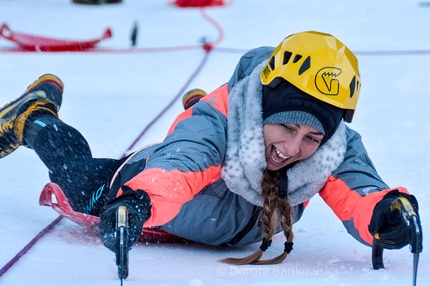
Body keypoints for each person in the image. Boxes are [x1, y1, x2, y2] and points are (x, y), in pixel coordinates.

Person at [0, 31, 421, 265]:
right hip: (148, 186)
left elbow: (360, 192)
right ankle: (34, 117)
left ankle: (194, 103)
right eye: (287, 126)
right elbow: (183, 163)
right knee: (78, 177)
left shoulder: (328, 148)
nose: (294, 149)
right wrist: (140, 202)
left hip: (221, 221)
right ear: (260, 108)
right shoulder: (218, 125)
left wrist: (387, 214)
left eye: (313, 138)